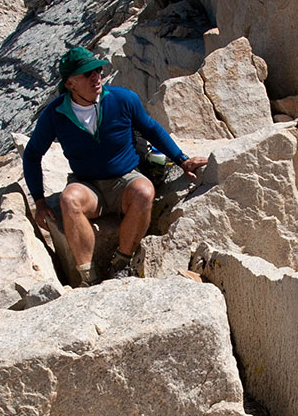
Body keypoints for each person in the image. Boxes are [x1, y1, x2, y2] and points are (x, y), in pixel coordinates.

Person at [23, 46, 206, 284]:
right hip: (87, 184)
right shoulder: (55, 114)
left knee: (144, 191)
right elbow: (32, 154)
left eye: (97, 71)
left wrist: (182, 159)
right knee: (69, 200)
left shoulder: (123, 99)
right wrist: (39, 200)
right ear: (70, 84)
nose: (96, 77)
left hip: (125, 178)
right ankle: (88, 277)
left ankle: (121, 261)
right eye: (87, 74)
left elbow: (151, 129)